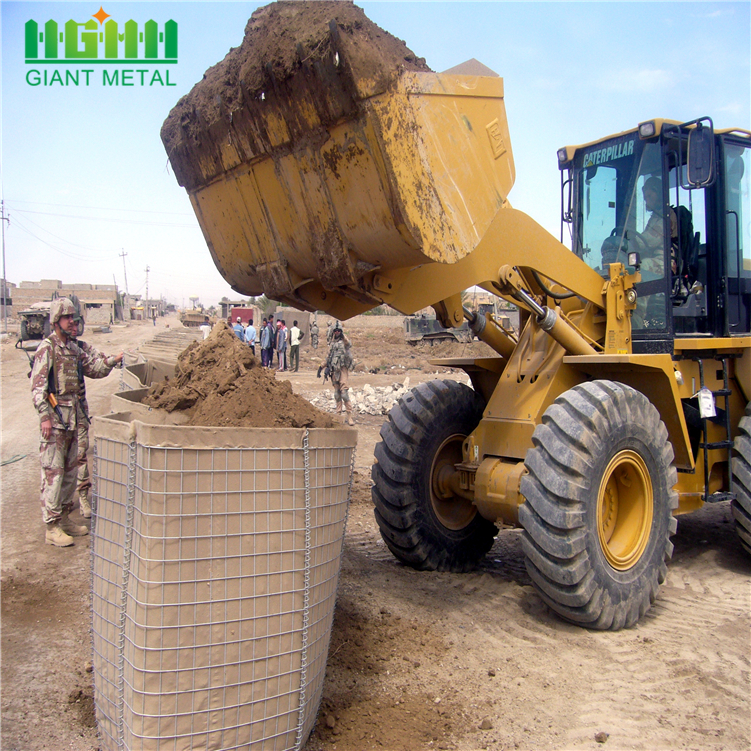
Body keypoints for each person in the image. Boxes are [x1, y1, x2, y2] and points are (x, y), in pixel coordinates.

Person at [31, 298, 124, 547]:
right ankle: (51, 527)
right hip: (55, 422)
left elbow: (93, 368)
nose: (71, 321)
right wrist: (44, 417)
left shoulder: (72, 348)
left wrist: (112, 361)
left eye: (73, 317)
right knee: (54, 474)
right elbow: (38, 388)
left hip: (73, 420)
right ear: (55, 321)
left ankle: (63, 519)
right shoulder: (47, 348)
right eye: (66, 317)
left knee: (71, 474)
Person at [325, 324, 355, 425]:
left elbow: (349, 344)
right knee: (337, 394)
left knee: (344, 394)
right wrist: (322, 367)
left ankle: (349, 416)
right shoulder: (332, 344)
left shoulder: (344, 342)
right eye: (335, 331)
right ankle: (338, 415)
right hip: (334, 371)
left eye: (338, 331)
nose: (337, 332)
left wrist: (343, 336)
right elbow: (328, 357)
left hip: (343, 370)